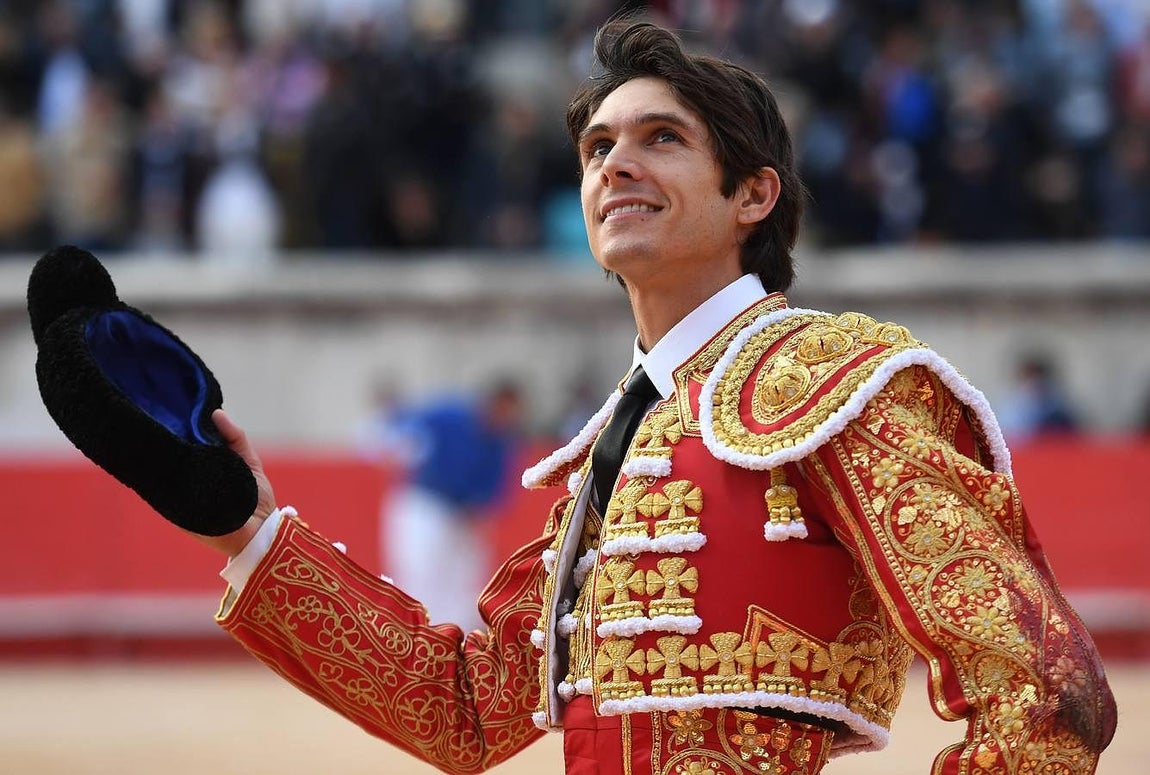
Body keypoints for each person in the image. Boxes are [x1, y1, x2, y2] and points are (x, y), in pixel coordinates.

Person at [198, 19, 1116, 775]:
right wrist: (250, 531)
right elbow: (465, 708)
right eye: (598, 147)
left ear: (754, 194)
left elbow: (1044, 691)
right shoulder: (621, 440)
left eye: (661, 139)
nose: (615, 165)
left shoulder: (833, 384)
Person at [373, 381, 525, 632]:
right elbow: (407, 430)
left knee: (465, 578)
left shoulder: (501, 444)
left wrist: (479, 512)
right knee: (420, 571)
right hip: (424, 505)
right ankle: (417, 632)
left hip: (461, 518)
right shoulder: (451, 416)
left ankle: (457, 637)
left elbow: (496, 494)